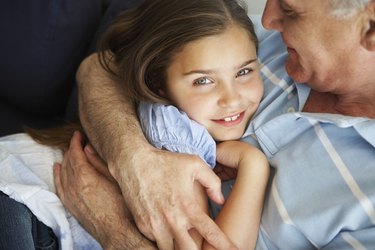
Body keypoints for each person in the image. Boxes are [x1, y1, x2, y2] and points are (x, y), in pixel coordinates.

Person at [55, 0, 375, 248]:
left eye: (291, 9)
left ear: (371, 27)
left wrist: (113, 228)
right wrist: (130, 157)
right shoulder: (260, 42)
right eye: (205, 80)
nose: (268, 18)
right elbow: (101, 67)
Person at [0, 0, 270, 249]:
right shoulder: (180, 141)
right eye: (203, 81)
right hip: (27, 204)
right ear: (158, 85)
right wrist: (253, 167)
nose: (232, 98)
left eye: (244, 71)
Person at [0, 0, 141, 249]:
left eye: (237, 73)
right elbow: (95, 65)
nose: (232, 98)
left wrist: (115, 232)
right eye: (203, 80)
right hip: (26, 190)